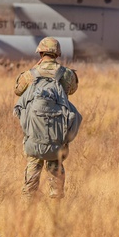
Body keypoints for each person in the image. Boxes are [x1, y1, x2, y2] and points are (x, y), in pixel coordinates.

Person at [13, 37, 80, 199]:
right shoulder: (67, 74)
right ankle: (56, 200)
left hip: (35, 128)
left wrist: (33, 70)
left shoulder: (30, 74)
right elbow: (72, 91)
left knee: (34, 162)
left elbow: (17, 90)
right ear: (57, 53)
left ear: (41, 52)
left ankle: (29, 200)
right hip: (57, 128)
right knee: (55, 163)